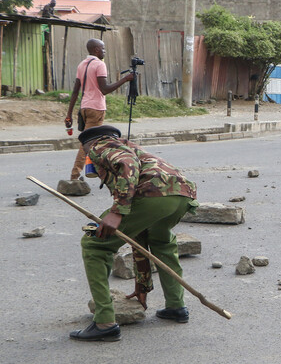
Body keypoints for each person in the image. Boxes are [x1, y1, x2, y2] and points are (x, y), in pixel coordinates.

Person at [69, 125, 199, 341]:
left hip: (152, 194)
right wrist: (142, 284)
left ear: (86, 147)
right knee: (161, 242)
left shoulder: (99, 146)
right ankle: (176, 307)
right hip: (181, 194)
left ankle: (104, 323)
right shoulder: (128, 146)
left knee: (94, 243)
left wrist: (117, 211)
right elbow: (138, 237)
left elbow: (127, 164)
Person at [65, 39, 134, 182]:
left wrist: (69, 114)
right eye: (103, 49)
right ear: (96, 50)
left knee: (95, 141)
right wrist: (125, 79)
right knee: (87, 143)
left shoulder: (82, 65)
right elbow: (105, 89)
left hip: (84, 108)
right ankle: (75, 176)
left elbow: (75, 91)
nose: (104, 51)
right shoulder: (99, 64)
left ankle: (100, 172)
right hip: (96, 109)